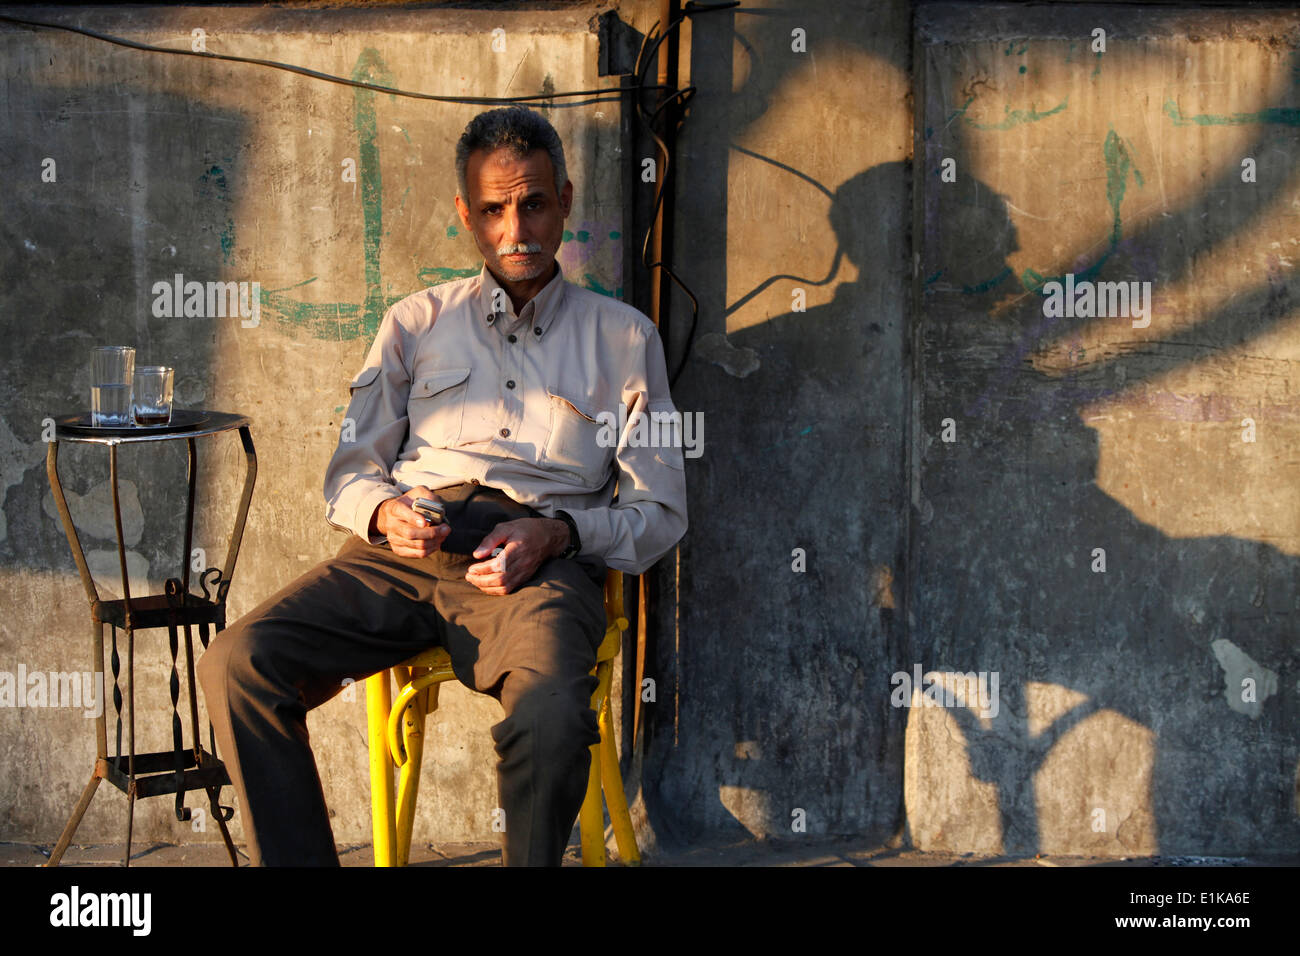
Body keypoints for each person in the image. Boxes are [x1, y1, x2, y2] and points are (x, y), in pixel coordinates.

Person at [197, 106, 688, 866]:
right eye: (492, 210)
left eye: (532, 204)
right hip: (403, 555)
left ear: (564, 197)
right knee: (237, 662)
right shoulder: (414, 323)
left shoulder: (626, 338)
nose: (513, 230)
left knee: (554, 716)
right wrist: (386, 511)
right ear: (467, 213)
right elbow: (349, 471)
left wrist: (557, 533)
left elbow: (660, 513)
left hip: (534, 568)